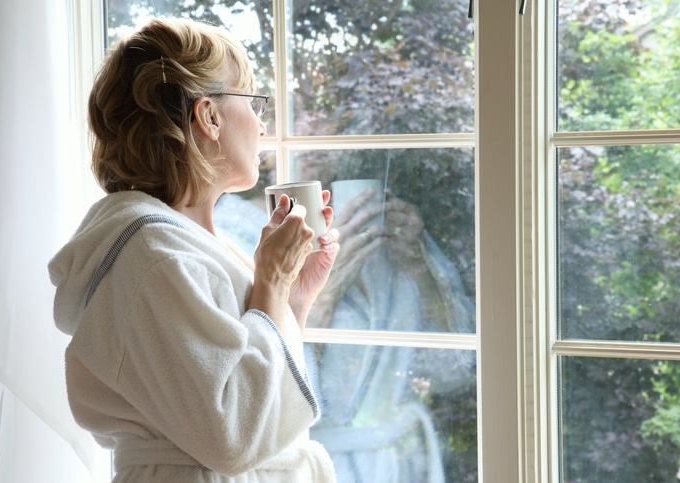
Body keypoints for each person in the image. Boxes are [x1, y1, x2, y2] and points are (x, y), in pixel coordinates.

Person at [48, 17, 339, 482]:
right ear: (208, 116)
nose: (263, 125)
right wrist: (271, 282)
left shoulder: (187, 243)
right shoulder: (152, 256)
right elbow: (231, 434)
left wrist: (292, 298)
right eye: (254, 101)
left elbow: (259, 400)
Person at [216, 181, 475, 482]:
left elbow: (457, 367)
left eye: (333, 131)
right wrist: (317, 300)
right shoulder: (232, 237)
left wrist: (418, 264)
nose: (321, 138)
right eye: (306, 131)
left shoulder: (392, 231)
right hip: (318, 467)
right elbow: (255, 407)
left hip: (405, 466)